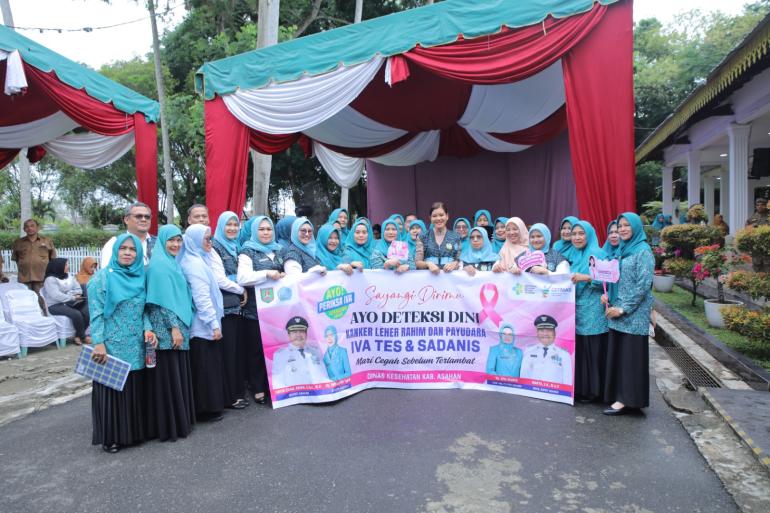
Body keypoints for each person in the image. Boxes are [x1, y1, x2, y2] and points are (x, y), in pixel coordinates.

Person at [88, 234, 151, 453]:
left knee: (133, 388)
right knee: (112, 390)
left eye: (132, 249)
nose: (127, 253)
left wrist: (148, 328)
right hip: (111, 344)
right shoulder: (101, 279)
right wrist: (98, 343)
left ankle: (133, 433)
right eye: (123, 248)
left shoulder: (141, 277)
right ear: (115, 251)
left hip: (136, 343)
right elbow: (96, 314)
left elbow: (145, 310)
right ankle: (112, 437)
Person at [144, 224, 196, 441]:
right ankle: (170, 427)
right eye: (171, 240)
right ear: (162, 242)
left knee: (176, 375)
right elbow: (161, 302)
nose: (175, 244)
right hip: (166, 331)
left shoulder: (172, 264)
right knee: (169, 377)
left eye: (178, 240)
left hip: (178, 327)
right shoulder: (158, 266)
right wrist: (174, 328)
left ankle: (179, 423)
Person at [601, 212, 654, 416]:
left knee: (630, 358)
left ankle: (627, 399)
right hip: (616, 311)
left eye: (626, 225)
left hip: (633, 315)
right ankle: (620, 396)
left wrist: (624, 308)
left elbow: (643, 286)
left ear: (636, 227)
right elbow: (616, 279)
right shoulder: (622, 250)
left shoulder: (643, 251)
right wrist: (607, 296)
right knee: (619, 356)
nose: (622, 229)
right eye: (619, 226)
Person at [180, 224, 225, 422]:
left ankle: (209, 407)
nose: (210, 242)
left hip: (203, 324)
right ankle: (206, 409)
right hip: (202, 326)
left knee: (207, 367)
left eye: (211, 238)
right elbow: (202, 298)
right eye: (206, 239)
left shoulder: (198, 259)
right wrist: (213, 324)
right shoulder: (194, 264)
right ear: (195, 240)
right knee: (205, 368)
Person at [238, 216, 285, 404]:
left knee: (277, 349)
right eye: (261, 229)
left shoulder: (279, 250)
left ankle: (275, 386)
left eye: (269, 229)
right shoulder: (247, 251)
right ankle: (258, 388)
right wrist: (266, 273)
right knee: (257, 350)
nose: (266, 232)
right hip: (255, 310)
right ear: (254, 231)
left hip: (277, 310)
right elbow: (243, 278)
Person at [210, 212, 249, 410]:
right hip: (225, 307)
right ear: (220, 226)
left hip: (236, 307)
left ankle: (236, 392)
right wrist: (241, 289)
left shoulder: (236, 246)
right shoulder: (215, 247)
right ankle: (230, 396)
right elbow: (219, 279)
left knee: (236, 353)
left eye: (236, 224)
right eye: (228, 225)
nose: (233, 228)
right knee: (228, 354)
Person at [569, 220, 608, 403]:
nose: (577, 237)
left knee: (593, 350)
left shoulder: (598, 254)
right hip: (577, 309)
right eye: (574, 234)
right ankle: (582, 389)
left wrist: (586, 278)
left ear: (589, 234)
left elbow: (609, 280)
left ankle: (595, 391)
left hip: (594, 310)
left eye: (581, 233)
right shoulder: (573, 255)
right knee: (581, 350)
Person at [42, 258, 90, 345]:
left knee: (87, 311)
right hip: (54, 305)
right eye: (66, 265)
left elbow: (78, 289)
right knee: (76, 314)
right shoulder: (50, 280)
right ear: (59, 266)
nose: (68, 266)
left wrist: (73, 295)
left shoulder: (68, 276)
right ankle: (83, 337)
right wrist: (72, 297)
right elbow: (56, 295)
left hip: (69, 302)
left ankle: (77, 336)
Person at [271, 316, 327, 389]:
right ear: (289, 335)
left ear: (306, 334)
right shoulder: (281, 355)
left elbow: (324, 376)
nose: (298, 335)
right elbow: (277, 383)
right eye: (294, 332)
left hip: (319, 394)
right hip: (295, 395)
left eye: (301, 331)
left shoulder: (316, 351)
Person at [11, 219, 56, 301]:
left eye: (32, 226)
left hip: (42, 277)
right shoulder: (18, 242)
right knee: (26, 301)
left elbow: (53, 258)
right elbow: (16, 258)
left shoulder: (47, 241)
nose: (30, 228)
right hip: (24, 278)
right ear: (24, 229)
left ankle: (43, 310)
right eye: (27, 227)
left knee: (42, 300)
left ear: (38, 228)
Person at [100, 202, 155, 268]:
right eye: (138, 216)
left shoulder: (159, 243)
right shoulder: (114, 243)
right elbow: (107, 271)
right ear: (126, 220)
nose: (144, 219)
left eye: (147, 217)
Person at [520, 315, 572, 384]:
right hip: (531, 390)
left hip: (554, 391)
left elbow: (567, 382)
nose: (545, 334)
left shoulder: (564, 355)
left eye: (549, 330)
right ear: (537, 333)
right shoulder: (529, 351)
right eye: (541, 330)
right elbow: (524, 376)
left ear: (554, 333)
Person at [415, 202, 462, 274]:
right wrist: (428, 264)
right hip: (429, 279)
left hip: (450, 279)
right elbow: (418, 262)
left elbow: (460, 260)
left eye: (441, 215)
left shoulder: (456, 237)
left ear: (447, 216)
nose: (438, 218)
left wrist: (455, 264)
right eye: (434, 216)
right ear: (430, 218)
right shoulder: (422, 236)